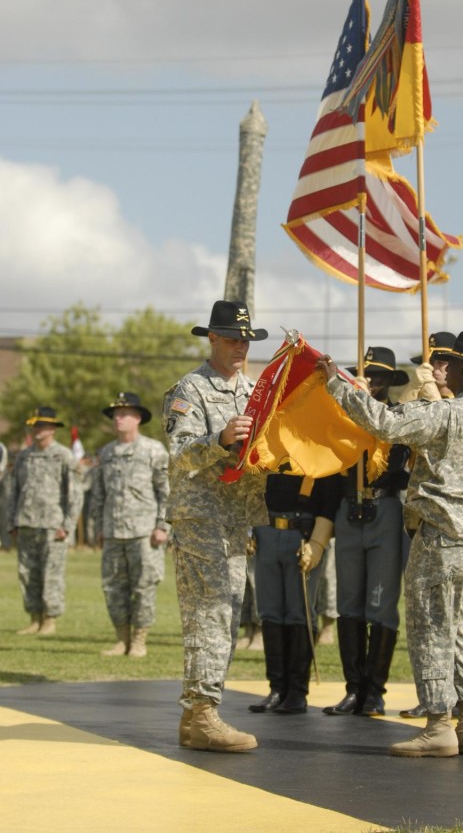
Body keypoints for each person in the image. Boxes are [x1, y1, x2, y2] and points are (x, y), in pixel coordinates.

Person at [318, 331, 463, 757]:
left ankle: (439, 724)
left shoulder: (446, 415)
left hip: (443, 536)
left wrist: (338, 383)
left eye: (449, 364)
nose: (444, 370)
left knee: (431, 627)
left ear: (461, 370)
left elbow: (384, 424)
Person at [164, 300, 269, 753]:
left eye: (245, 340)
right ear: (212, 339)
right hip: (200, 515)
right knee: (210, 615)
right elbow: (180, 452)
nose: (240, 347)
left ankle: (194, 716)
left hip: (234, 520)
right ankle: (205, 713)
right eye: (231, 339)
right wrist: (220, 439)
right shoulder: (190, 389)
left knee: (226, 612)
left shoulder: (253, 391)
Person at [322, 347, 410, 718]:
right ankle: (353, 689)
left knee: (381, 604)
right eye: (367, 375)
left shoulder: (400, 417)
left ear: (391, 381)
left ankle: (374, 691)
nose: (372, 382)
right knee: (348, 604)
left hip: (385, 510)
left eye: (379, 377)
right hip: (348, 510)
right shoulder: (344, 417)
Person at [248, 472, 343, 714]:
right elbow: (250, 483)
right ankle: (277, 688)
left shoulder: (319, 447)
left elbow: (331, 497)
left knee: (299, 612)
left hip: (303, 535)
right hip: (266, 530)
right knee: (269, 611)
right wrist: (248, 529)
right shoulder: (268, 444)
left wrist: (318, 542)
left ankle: (297, 692)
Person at [400, 332, 456, 720]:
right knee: (423, 618)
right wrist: (416, 395)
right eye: (429, 363)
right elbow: (393, 435)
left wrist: (435, 401)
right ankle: (432, 696)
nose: (433, 370)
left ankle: (456, 703)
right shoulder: (419, 401)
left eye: (440, 363)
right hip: (418, 521)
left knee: (452, 619)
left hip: (452, 525)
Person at [90, 392, 170, 658]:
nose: (118, 418)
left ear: (137, 418)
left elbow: (166, 491)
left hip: (144, 532)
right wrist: (99, 526)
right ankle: (121, 639)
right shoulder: (107, 453)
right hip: (113, 531)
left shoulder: (153, 451)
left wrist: (162, 526)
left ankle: (139, 640)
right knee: (113, 587)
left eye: (124, 414)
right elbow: (99, 494)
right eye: (116, 414)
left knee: (144, 586)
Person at [8, 407, 82, 636]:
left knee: (51, 574)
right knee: (28, 573)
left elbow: (74, 494)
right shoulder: (24, 456)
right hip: (27, 522)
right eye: (35, 425)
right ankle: (34, 618)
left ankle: (50, 620)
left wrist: (67, 525)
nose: (37, 429)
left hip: (53, 524)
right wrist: (12, 522)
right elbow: (14, 492)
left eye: (42, 425)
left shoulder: (63, 456)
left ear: (52, 429)